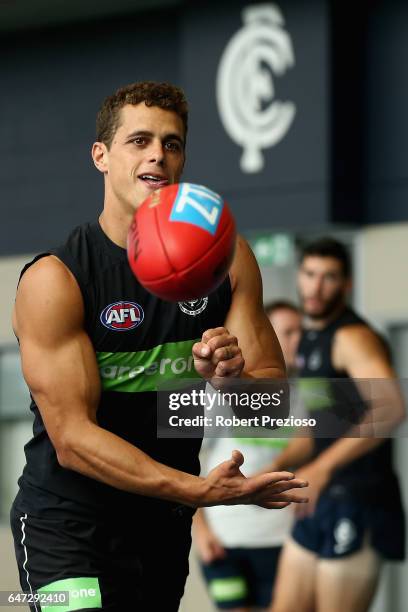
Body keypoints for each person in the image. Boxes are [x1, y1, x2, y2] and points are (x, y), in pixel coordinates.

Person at [9, 81, 308, 612]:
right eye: (139, 140)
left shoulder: (227, 259)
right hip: (67, 526)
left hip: (160, 527)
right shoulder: (57, 279)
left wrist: (231, 381)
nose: (157, 155)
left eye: (172, 143)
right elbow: (74, 439)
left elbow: (271, 409)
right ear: (100, 156)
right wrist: (195, 491)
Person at [270, 238, 405, 612]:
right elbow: (318, 428)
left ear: (347, 285)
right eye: (310, 274)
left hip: (360, 500)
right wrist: (270, 470)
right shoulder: (312, 339)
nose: (315, 287)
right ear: (299, 276)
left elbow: (391, 408)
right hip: (320, 499)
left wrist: (321, 468)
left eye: (328, 277)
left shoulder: (352, 337)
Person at [193, 301, 302, 612]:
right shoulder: (218, 390)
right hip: (224, 540)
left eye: (301, 332)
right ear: (266, 337)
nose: (298, 340)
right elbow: (192, 464)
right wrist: (200, 532)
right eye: (288, 332)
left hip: (281, 540)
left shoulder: (307, 394)